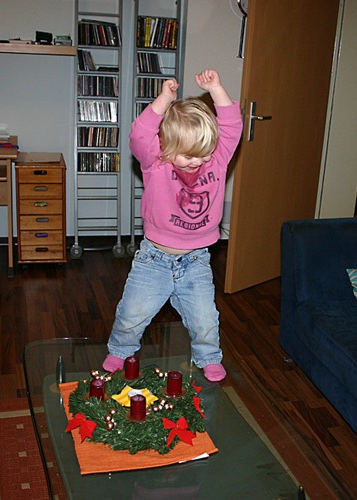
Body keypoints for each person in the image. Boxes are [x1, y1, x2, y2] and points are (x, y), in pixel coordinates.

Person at [103, 69, 243, 382]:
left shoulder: (217, 160)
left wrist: (216, 88)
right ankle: (120, 349)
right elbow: (139, 134)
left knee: (205, 318)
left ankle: (209, 356)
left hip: (196, 260)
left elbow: (233, 125)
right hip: (153, 259)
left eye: (203, 153)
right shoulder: (156, 162)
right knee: (132, 312)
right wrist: (164, 99)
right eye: (187, 155)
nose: (196, 161)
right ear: (166, 145)